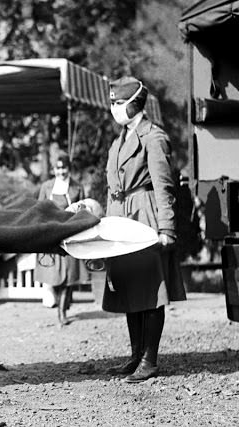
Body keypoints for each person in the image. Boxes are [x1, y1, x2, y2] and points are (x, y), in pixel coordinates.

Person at [103, 77, 186, 383]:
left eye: (118, 103)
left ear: (134, 104)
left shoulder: (154, 137)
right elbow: (112, 186)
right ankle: (136, 356)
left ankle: (149, 360)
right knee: (129, 289)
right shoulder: (119, 139)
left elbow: (164, 185)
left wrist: (167, 228)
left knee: (150, 291)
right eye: (112, 103)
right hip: (121, 216)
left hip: (145, 216)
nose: (113, 108)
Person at [34, 152, 87, 326]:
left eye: (64, 168)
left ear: (69, 169)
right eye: (58, 168)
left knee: (69, 276)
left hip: (69, 234)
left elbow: (83, 211)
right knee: (53, 275)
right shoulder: (46, 187)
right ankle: (60, 303)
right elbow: (38, 210)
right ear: (53, 169)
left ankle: (62, 312)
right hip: (50, 235)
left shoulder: (77, 188)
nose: (61, 172)